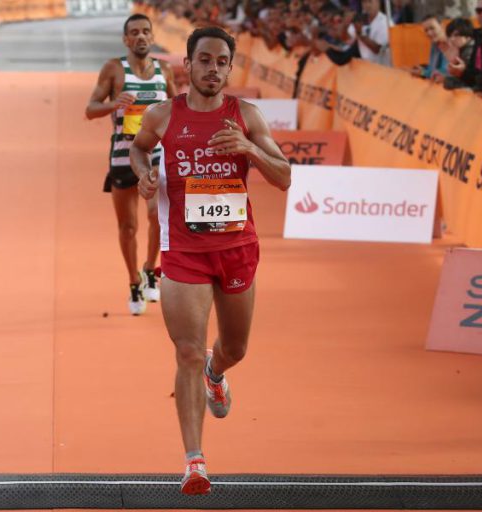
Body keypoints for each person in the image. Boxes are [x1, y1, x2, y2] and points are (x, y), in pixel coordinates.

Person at [130, 26, 291, 495]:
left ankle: (216, 374)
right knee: (186, 350)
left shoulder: (247, 115)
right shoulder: (163, 115)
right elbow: (139, 153)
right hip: (183, 251)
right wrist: (143, 177)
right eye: (205, 60)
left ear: (229, 67)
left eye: (222, 62)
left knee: (235, 348)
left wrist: (250, 149)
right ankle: (194, 461)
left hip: (237, 249)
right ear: (188, 63)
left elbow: (284, 177)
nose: (213, 69)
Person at [85, 14, 177, 315]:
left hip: (158, 154)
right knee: (128, 227)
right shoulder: (114, 68)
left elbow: (178, 109)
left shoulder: (164, 70)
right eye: (134, 32)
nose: (140, 37)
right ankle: (134, 281)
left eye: (145, 32)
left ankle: (151, 268)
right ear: (126, 39)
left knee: (156, 216)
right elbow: (90, 109)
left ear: (152, 37)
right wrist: (113, 104)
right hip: (124, 153)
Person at [348, 0, 391, 66]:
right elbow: (348, 40)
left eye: (370, 1)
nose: (367, 5)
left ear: (378, 2)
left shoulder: (386, 22)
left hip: (384, 70)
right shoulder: (359, 18)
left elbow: (378, 50)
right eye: (364, 2)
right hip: (367, 70)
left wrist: (360, 34)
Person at [411, 15, 449, 82]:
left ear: (442, 26)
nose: (429, 33)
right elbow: (432, 68)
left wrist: (423, 72)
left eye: (432, 28)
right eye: (426, 30)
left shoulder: (449, 43)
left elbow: (444, 72)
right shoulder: (435, 44)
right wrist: (423, 70)